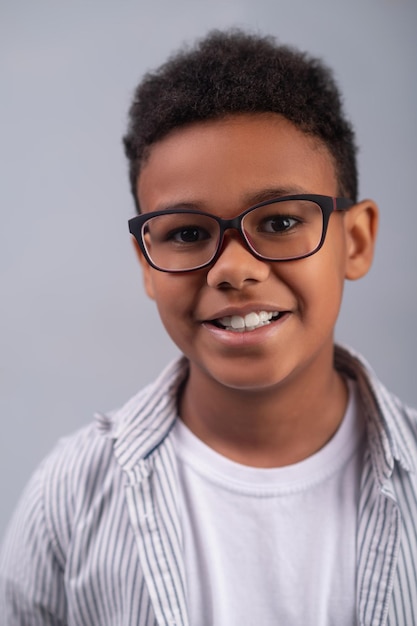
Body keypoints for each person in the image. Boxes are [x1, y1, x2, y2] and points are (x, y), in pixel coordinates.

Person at [0, 29, 416, 626]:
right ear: (147, 264)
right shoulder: (70, 497)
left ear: (355, 240)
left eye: (278, 222)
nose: (236, 270)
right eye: (188, 233)